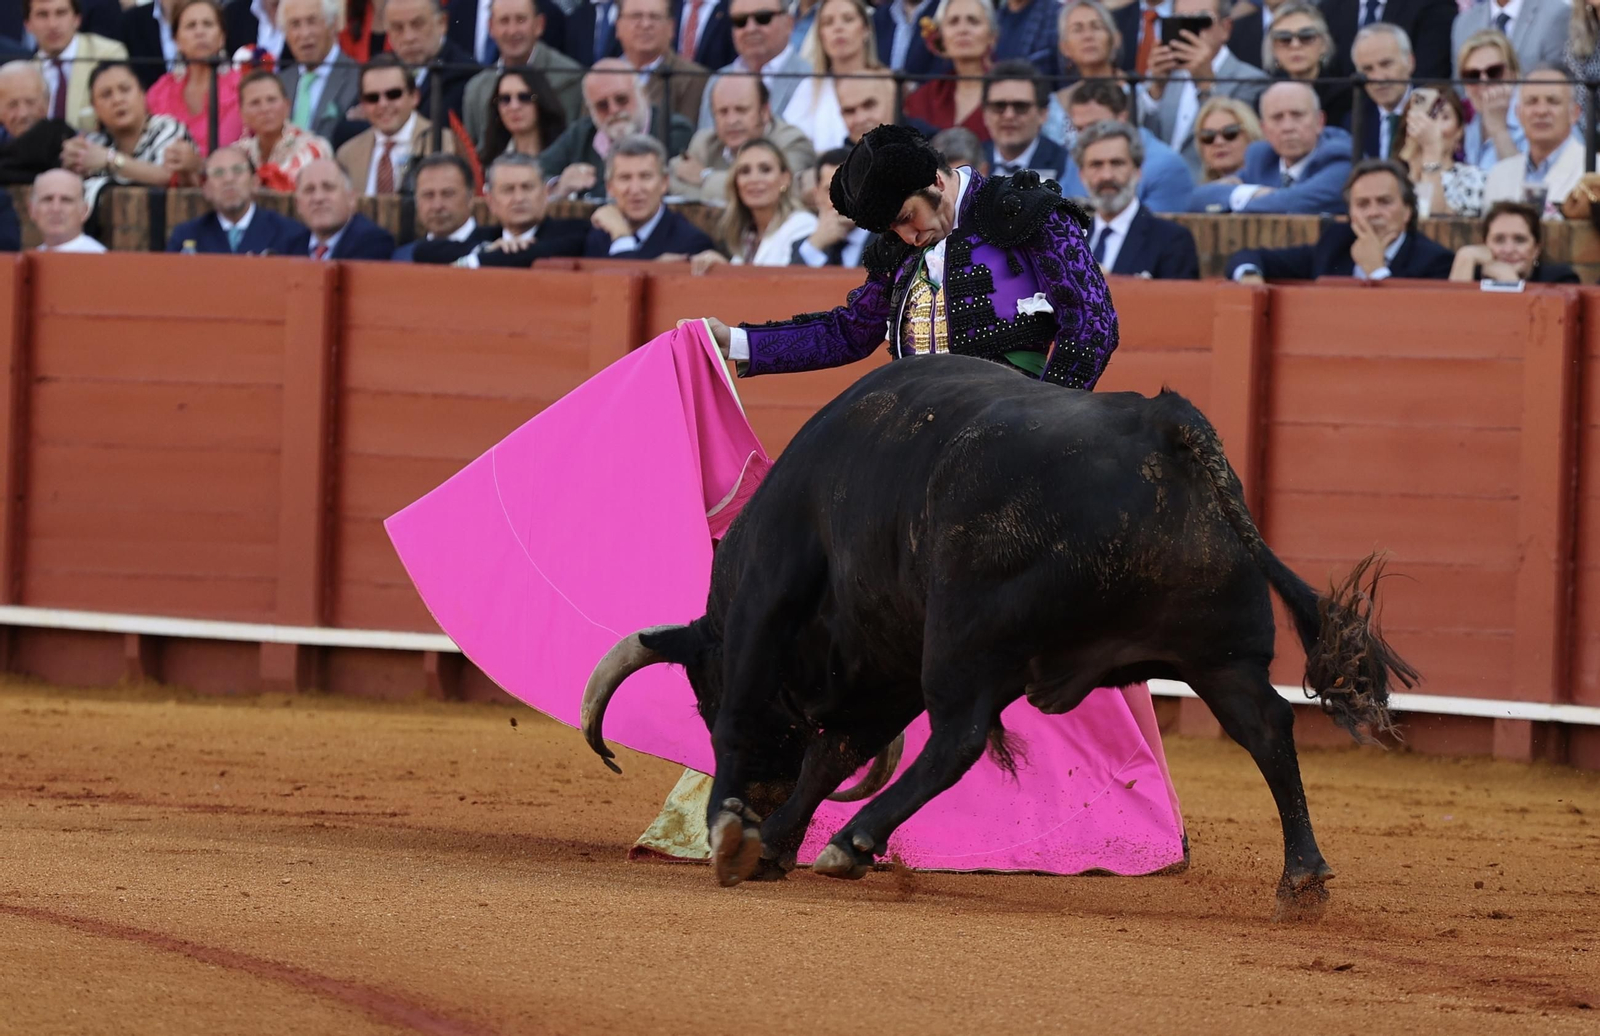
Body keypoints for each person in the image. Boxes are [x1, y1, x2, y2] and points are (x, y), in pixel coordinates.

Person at [689, 122, 1117, 392]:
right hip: (917, 424)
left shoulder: (1023, 210)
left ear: (935, 180)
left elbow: (1093, 320)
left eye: (908, 217)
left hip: (1014, 415)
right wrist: (735, 341)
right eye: (894, 229)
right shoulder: (897, 249)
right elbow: (849, 333)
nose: (909, 237)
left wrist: (1048, 415)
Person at [1226, 158, 1453, 281]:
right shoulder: (1335, 243)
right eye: (1363, 204)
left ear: (1407, 211)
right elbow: (1249, 257)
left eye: (1384, 202)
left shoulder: (1435, 261)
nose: (1373, 212)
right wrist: (1249, 276)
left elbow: (1415, 326)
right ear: (1351, 214)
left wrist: (1377, 271)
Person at [1136, 0, 1268, 179]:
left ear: (1225, 28)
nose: (1192, 30)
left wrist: (1206, 84)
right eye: (1182, 20)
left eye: (1202, 20)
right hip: (1159, 187)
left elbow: (1240, 142)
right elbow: (1140, 140)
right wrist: (1155, 90)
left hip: (1213, 190)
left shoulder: (1252, 81)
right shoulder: (1167, 75)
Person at [1187, 81, 1352, 215]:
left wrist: (1241, 195)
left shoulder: (1341, 155)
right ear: (1264, 129)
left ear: (1319, 121)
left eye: (1297, 115)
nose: (1287, 127)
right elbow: (1196, 199)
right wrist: (1253, 193)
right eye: (1277, 118)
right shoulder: (1262, 157)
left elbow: (1295, 203)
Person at [64, 60, 200, 209]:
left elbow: (165, 176)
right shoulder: (95, 142)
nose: (117, 100)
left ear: (142, 94)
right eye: (106, 94)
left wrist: (110, 159)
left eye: (125, 89)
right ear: (94, 107)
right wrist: (70, 165)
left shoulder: (167, 127)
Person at [414, 151, 590, 266]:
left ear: (545, 194)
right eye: (508, 190)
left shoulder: (573, 231)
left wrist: (483, 259)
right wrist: (486, 250)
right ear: (490, 201)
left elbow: (540, 253)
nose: (519, 198)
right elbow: (425, 251)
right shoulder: (485, 239)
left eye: (527, 187)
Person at [1076, 119, 1198, 279]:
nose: (1107, 175)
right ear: (1082, 175)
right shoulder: (1068, 238)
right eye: (1096, 165)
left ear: (1137, 171)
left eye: (1117, 163)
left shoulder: (1171, 241)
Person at [690, 137, 817, 270]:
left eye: (765, 169)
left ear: (785, 178)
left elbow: (783, 285)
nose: (754, 179)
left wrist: (727, 271)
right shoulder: (747, 234)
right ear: (736, 183)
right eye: (745, 171)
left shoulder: (802, 226)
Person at [582, 133, 715, 259]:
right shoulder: (598, 237)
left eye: (645, 177)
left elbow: (633, 281)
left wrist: (621, 237)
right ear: (609, 187)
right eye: (625, 178)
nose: (635, 189)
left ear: (664, 183)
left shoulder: (691, 243)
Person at [782, 0, 884, 152]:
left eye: (848, 19)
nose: (838, 28)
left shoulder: (886, 83)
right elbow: (789, 145)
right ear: (820, 36)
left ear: (866, 29)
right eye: (828, 22)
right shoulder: (808, 87)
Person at [166, 143, 306, 253]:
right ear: (206, 189)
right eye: (218, 173)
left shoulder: (288, 234)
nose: (228, 179)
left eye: (238, 171)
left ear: (255, 183)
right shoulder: (186, 236)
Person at [144, 0, 243, 154]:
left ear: (222, 37)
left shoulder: (241, 87)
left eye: (208, 24)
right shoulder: (159, 93)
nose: (199, 32)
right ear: (176, 40)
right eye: (191, 25)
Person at [902, 0, 997, 141]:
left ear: (991, 36)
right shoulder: (924, 97)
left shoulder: (1007, 89)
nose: (963, 30)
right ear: (941, 38)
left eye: (973, 21)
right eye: (953, 22)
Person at [1391, 83, 1485, 218]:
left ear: (1459, 131)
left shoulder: (1474, 179)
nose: (1432, 126)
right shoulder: (1393, 179)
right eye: (1429, 116)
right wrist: (1414, 171)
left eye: (1444, 117)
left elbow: (1433, 219)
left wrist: (1431, 150)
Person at [236, 66, 333, 191]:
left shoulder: (314, 147)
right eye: (255, 103)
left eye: (271, 100)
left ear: (287, 106)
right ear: (242, 114)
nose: (265, 109)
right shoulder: (239, 152)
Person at [1449, 199, 1579, 284]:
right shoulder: (1472, 275)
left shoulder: (1559, 280)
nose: (1509, 249)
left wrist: (1510, 283)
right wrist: (1465, 258)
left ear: (1536, 249)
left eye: (1520, 240)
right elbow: (1450, 322)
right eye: (1499, 240)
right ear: (1485, 244)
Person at [291, 155, 394, 258]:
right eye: (309, 190)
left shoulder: (374, 243)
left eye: (328, 188)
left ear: (351, 198)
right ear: (298, 204)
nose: (318, 198)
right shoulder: (290, 246)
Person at [475, 65, 567, 168]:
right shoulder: (485, 165)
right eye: (505, 99)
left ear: (541, 102)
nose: (514, 107)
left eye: (524, 97)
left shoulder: (566, 157)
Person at [789, 145, 868, 266]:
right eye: (830, 191)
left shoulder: (894, 243)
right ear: (817, 196)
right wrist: (815, 245)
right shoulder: (804, 247)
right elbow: (789, 283)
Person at [28, 166, 102, 251]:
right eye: (47, 199)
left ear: (84, 211)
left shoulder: (100, 260)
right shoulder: (29, 260)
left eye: (66, 200)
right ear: (32, 210)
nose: (56, 208)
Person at [1193, 95, 1261, 182]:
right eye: (1208, 136)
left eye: (1230, 133)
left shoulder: (1275, 187)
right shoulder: (1199, 193)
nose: (1218, 142)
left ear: (1250, 135)